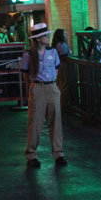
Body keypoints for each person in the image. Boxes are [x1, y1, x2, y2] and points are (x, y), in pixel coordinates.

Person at [20, 23, 66, 168]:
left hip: (52, 87)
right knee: (35, 123)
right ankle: (31, 154)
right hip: (38, 88)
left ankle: (58, 153)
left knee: (56, 121)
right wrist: (33, 88)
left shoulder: (52, 52)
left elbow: (56, 70)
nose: (48, 37)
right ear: (39, 39)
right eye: (45, 35)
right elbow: (26, 75)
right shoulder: (28, 55)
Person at [51, 29, 71, 109]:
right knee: (64, 85)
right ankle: (63, 104)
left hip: (60, 67)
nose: (66, 35)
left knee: (61, 84)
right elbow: (64, 57)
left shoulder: (58, 44)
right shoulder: (62, 45)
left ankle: (62, 103)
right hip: (64, 67)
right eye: (65, 34)